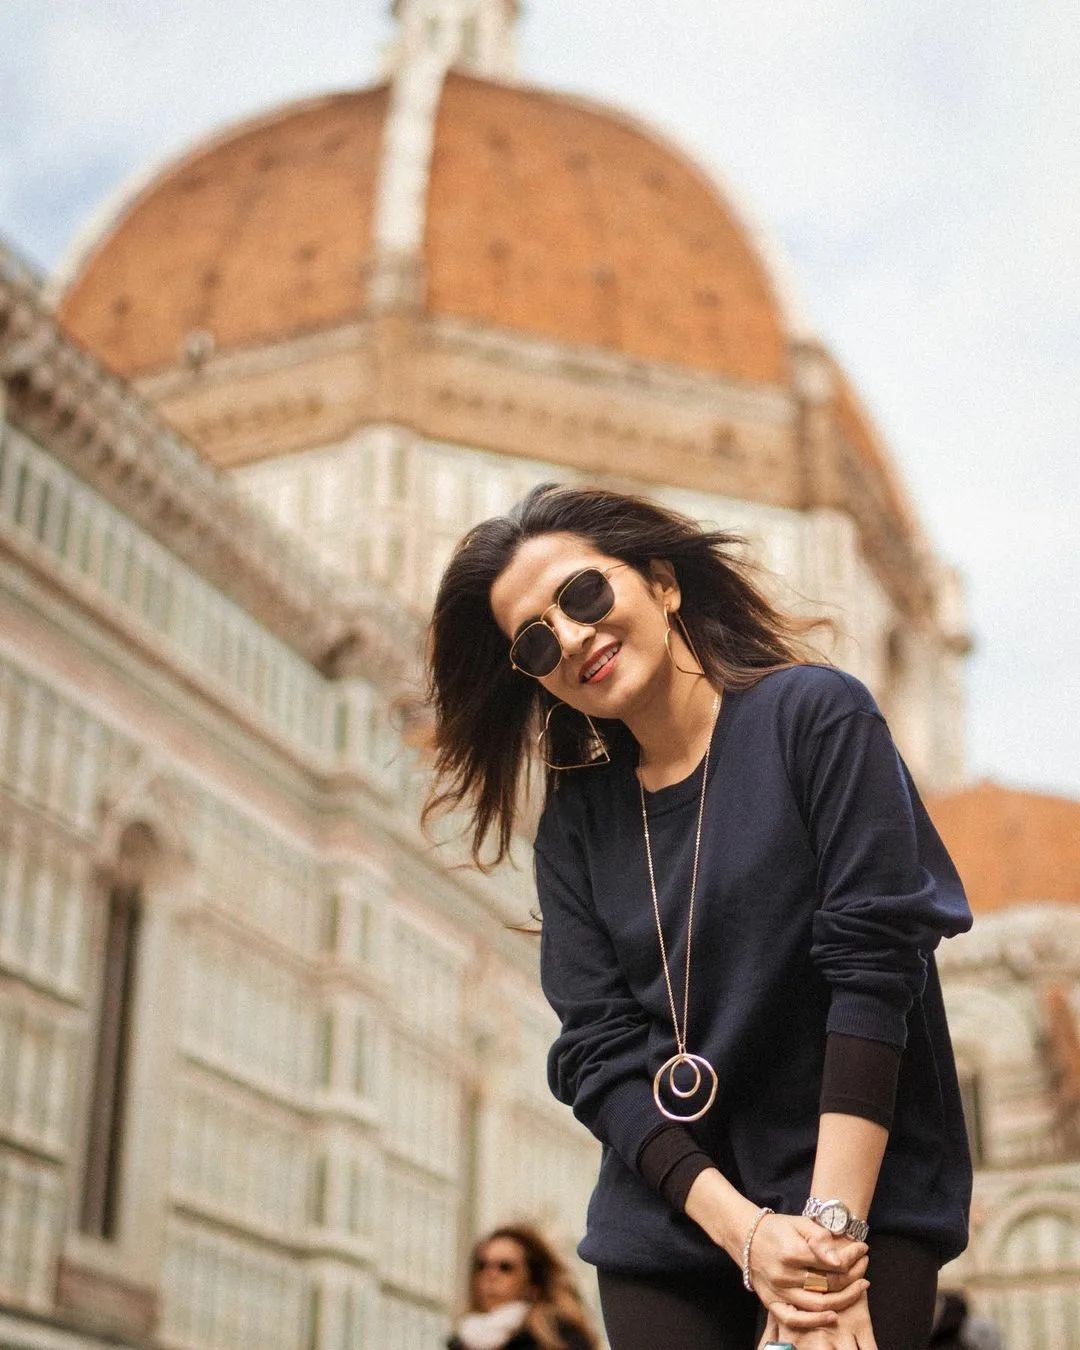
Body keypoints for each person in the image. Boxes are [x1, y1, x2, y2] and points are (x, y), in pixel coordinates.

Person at [426, 483, 974, 1350]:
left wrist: (827, 1244)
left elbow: (875, 970)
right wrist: (743, 1233)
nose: (571, 637)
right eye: (535, 641)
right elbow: (598, 1053)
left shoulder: (815, 717)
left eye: (583, 595)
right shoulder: (576, 823)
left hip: (856, 1200)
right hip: (675, 1221)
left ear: (663, 581)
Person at [447, 1224, 600, 1350]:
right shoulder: (461, 1341)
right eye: (482, 1266)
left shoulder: (560, 1340)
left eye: (505, 1267)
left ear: (532, 1284)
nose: (490, 1275)